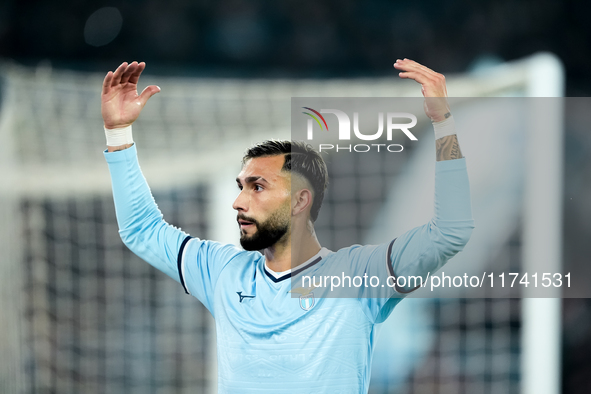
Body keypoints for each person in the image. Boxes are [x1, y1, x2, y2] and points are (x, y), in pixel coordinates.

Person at [101, 59, 474, 393]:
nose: (239, 201)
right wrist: (118, 134)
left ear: (300, 201)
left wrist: (443, 122)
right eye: (241, 187)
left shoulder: (360, 277)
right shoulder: (223, 272)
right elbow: (141, 230)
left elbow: (451, 231)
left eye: (258, 187)